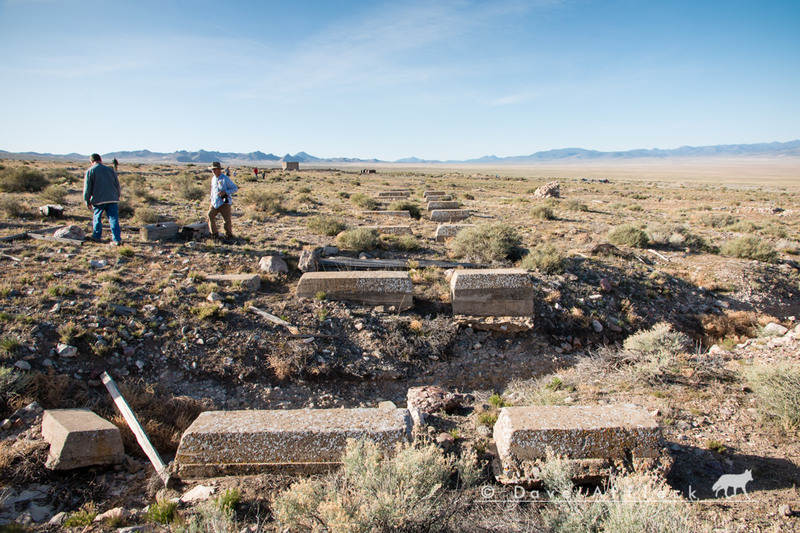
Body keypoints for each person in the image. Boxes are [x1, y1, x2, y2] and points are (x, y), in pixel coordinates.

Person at [84, 153, 122, 245]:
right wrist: (117, 196)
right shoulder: (110, 170)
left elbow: (87, 188)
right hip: (112, 198)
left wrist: (87, 200)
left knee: (97, 218)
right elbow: (117, 184)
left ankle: (96, 236)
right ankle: (117, 239)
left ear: (92, 161)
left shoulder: (90, 171)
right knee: (114, 219)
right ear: (100, 160)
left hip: (98, 199)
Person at [207, 161, 238, 242]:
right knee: (210, 215)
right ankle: (214, 234)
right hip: (215, 202)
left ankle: (229, 235)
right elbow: (212, 190)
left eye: (215, 169)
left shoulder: (225, 178)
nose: (213, 171)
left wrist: (225, 192)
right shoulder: (213, 179)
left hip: (224, 203)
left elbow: (235, 188)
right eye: (212, 170)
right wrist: (211, 198)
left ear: (219, 170)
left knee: (226, 220)